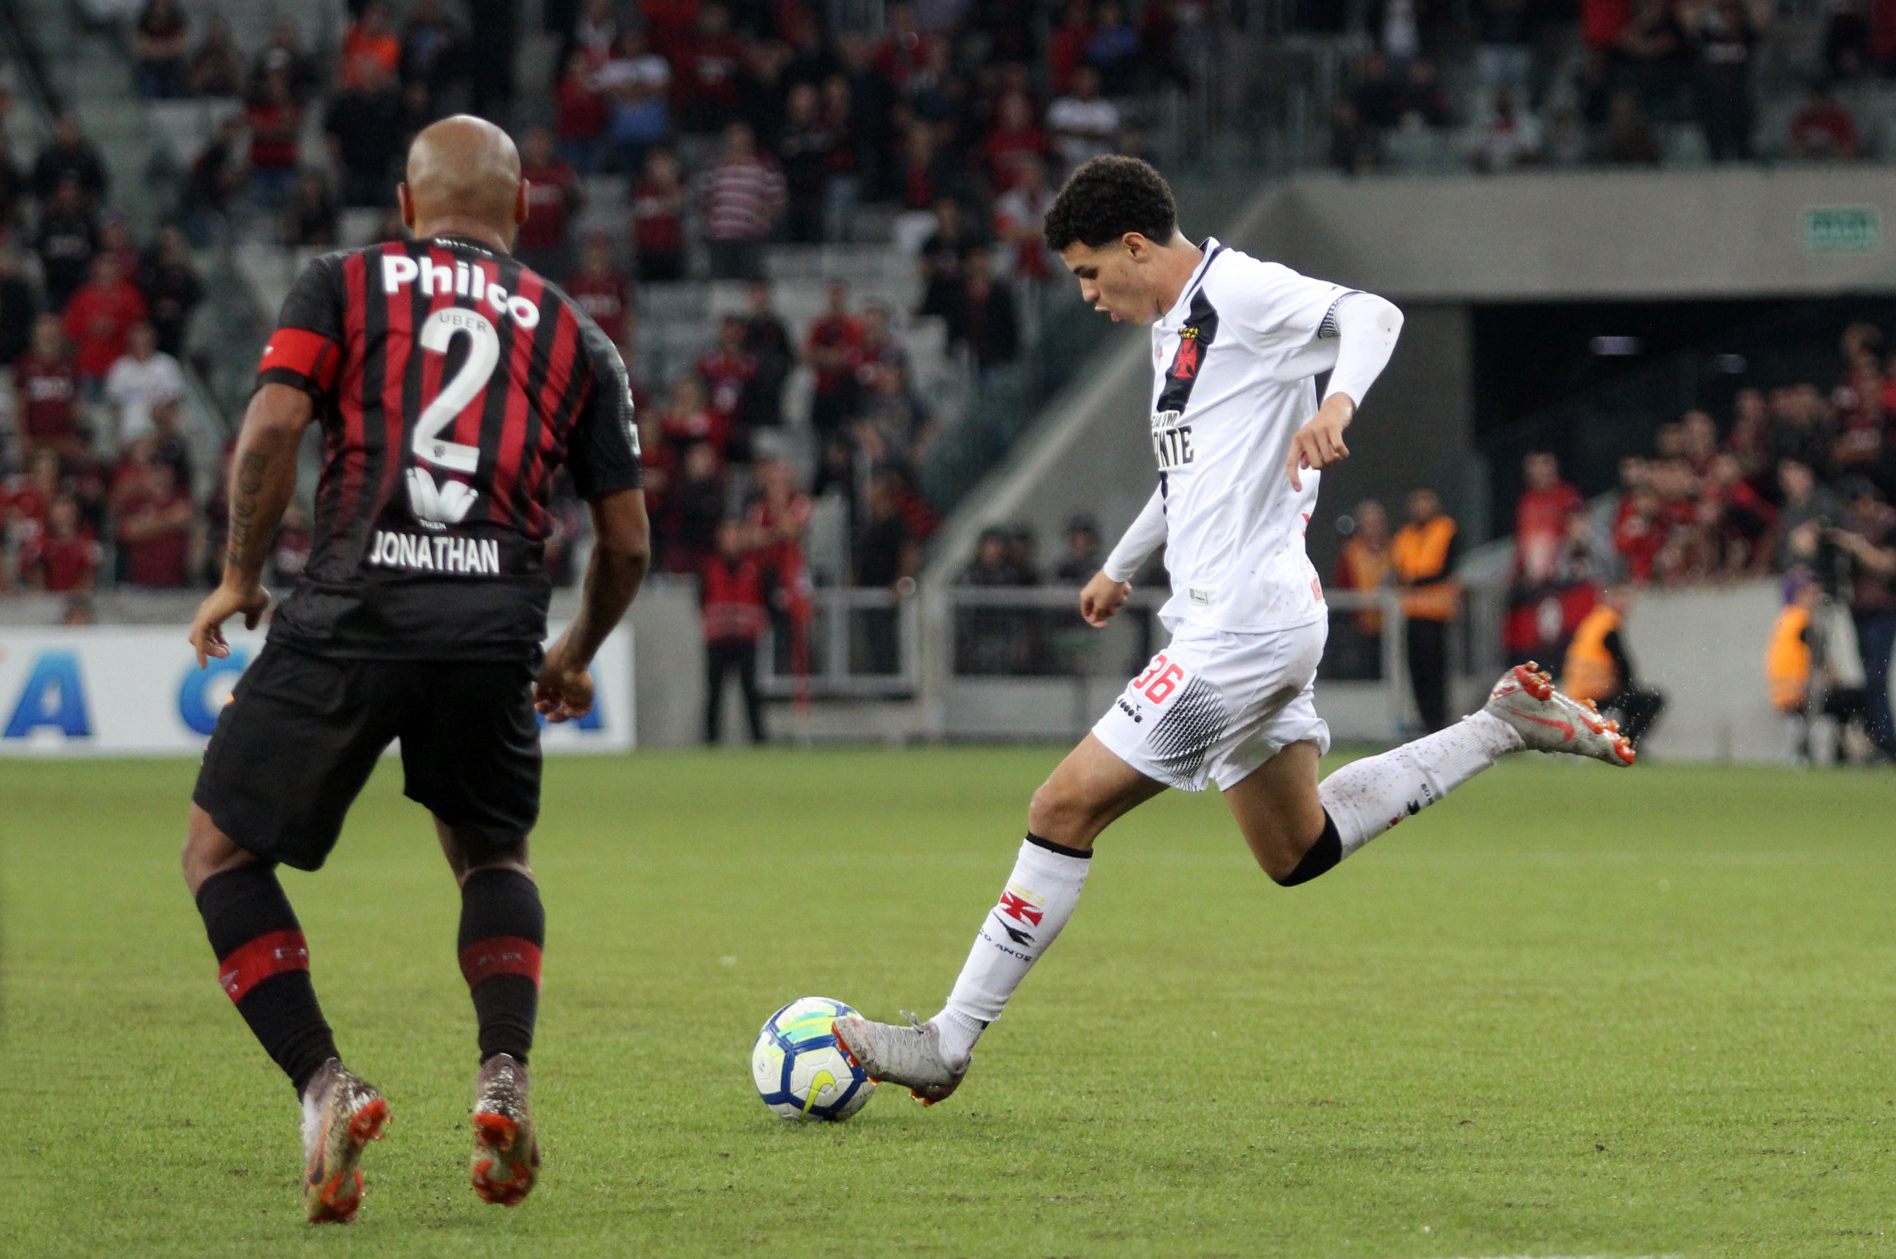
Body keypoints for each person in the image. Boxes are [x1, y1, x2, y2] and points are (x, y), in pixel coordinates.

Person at [830, 157, 1634, 1107]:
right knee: (1297, 848)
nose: (1087, 295)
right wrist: (1121, 565)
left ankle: (947, 1041)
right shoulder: (1173, 328)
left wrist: (1337, 403)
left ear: (1136, 247)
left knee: (1060, 808)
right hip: (1246, 620)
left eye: (1090, 272)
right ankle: (1500, 726)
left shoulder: (1239, 291)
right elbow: (1187, 478)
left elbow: (1375, 315)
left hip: (1241, 629)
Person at [179, 116, 648, 1223]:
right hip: (493, 624)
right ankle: (503, 1077)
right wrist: (574, 654)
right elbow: (627, 542)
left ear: (404, 204)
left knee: (218, 852)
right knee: (492, 853)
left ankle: (326, 1084)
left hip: (354, 605)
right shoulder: (579, 332)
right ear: (522, 208)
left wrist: (241, 574)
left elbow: (272, 427)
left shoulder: (340, 283)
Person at [1559, 584, 1666, 748]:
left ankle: (1620, 742)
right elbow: (1622, 663)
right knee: (1650, 701)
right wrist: (1631, 687)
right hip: (1594, 694)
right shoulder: (1609, 624)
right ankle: (1626, 745)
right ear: (1611, 599)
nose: (1627, 604)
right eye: (1623, 598)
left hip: (1575, 692)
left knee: (1633, 700)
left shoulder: (1595, 620)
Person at [1391, 486, 1458, 732]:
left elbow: (1445, 567)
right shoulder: (1404, 536)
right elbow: (1398, 570)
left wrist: (1415, 582)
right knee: (1416, 670)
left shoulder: (1446, 529)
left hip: (1437, 612)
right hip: (1412, 612)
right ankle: (1424, 719)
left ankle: (1438, 720)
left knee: (1436, 670)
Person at [701, 517, 768, 744]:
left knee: (751, 691)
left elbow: (764, 598)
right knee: (714, 693)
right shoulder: (710, 567)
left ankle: (759, 739)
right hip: (718, 640)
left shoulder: (754, 566)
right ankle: (711, 740)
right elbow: (702, 599)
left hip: (745, 639)